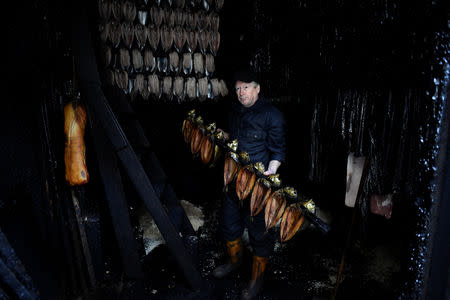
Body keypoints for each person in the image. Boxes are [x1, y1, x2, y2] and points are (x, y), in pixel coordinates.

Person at [212, 66, 286, 299]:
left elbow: (278, 150)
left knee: (259, 233)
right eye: (238, 89)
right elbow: (233, 139)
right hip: (233, 179)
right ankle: (235, 261)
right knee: (228, 223)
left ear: (257, 89)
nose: (241, 93)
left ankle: (257, 279)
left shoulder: (272, 115)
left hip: (258, 185)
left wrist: (271, 171)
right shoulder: (234, 111)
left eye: (246, 88)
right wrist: (221, 135)